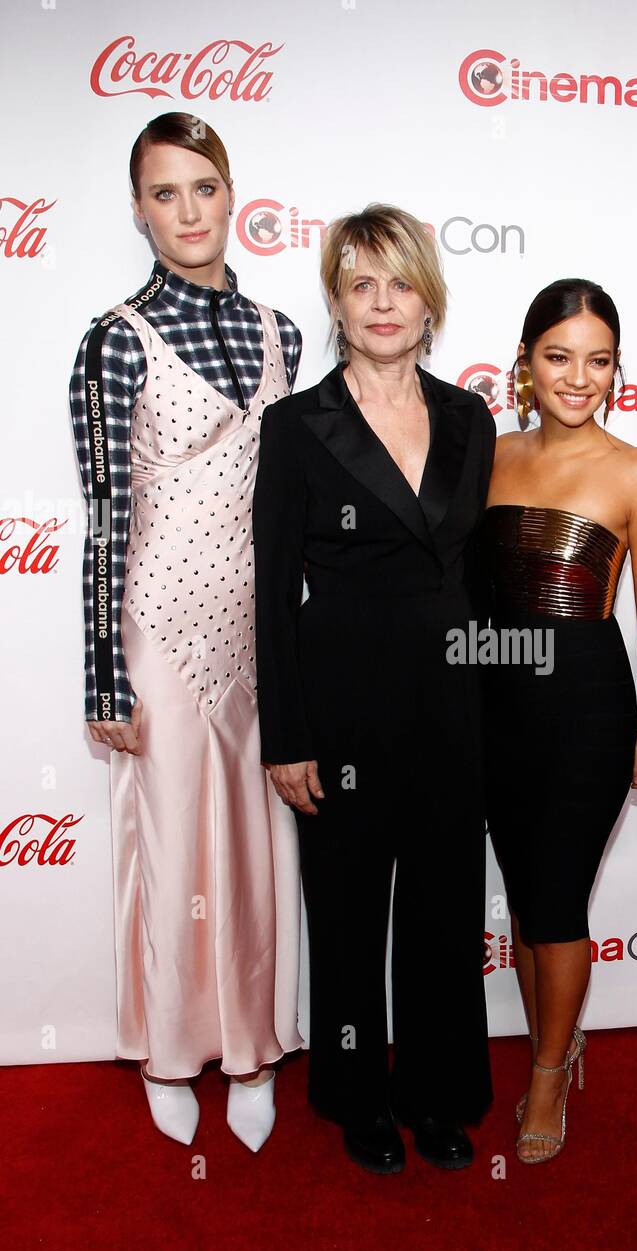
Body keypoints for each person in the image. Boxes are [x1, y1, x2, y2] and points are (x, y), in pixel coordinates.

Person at [69, 112, 304, 1150]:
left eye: (202, 187)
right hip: (159, 627)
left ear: (230, 193)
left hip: (259, 633)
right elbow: (106, 513)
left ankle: (250, 1047)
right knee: (171, 853)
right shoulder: (115, 339)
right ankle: (170, 1051)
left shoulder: (282, 332)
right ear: (138, 209)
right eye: (164, 193)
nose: (187, 209)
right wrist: (101, 677)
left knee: (254, 854)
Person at [252, 204, 495, 1175]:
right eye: (360, 285)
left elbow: (475, 576)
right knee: (346, 912)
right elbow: (272, 587)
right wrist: (286, 735)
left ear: (426, 298)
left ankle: (436, 1092)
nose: (382, 303)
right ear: (337, 303)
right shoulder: (297, 425)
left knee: (443, 912)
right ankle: (355, 1095)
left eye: (398, 282)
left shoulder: (469, 416)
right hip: (341, 702)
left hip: (449, 706)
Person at [476, 279, 637, 1163]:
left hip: (585, 709)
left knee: (556, 907)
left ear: (615, 371)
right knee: (525, 906)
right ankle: (552, 1047)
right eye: (559, 357)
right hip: (491, 705)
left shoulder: (635, 471)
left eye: (597, 361)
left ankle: (548, 1075)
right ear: (526, 363)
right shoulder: (487, 455)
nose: (577, 376)